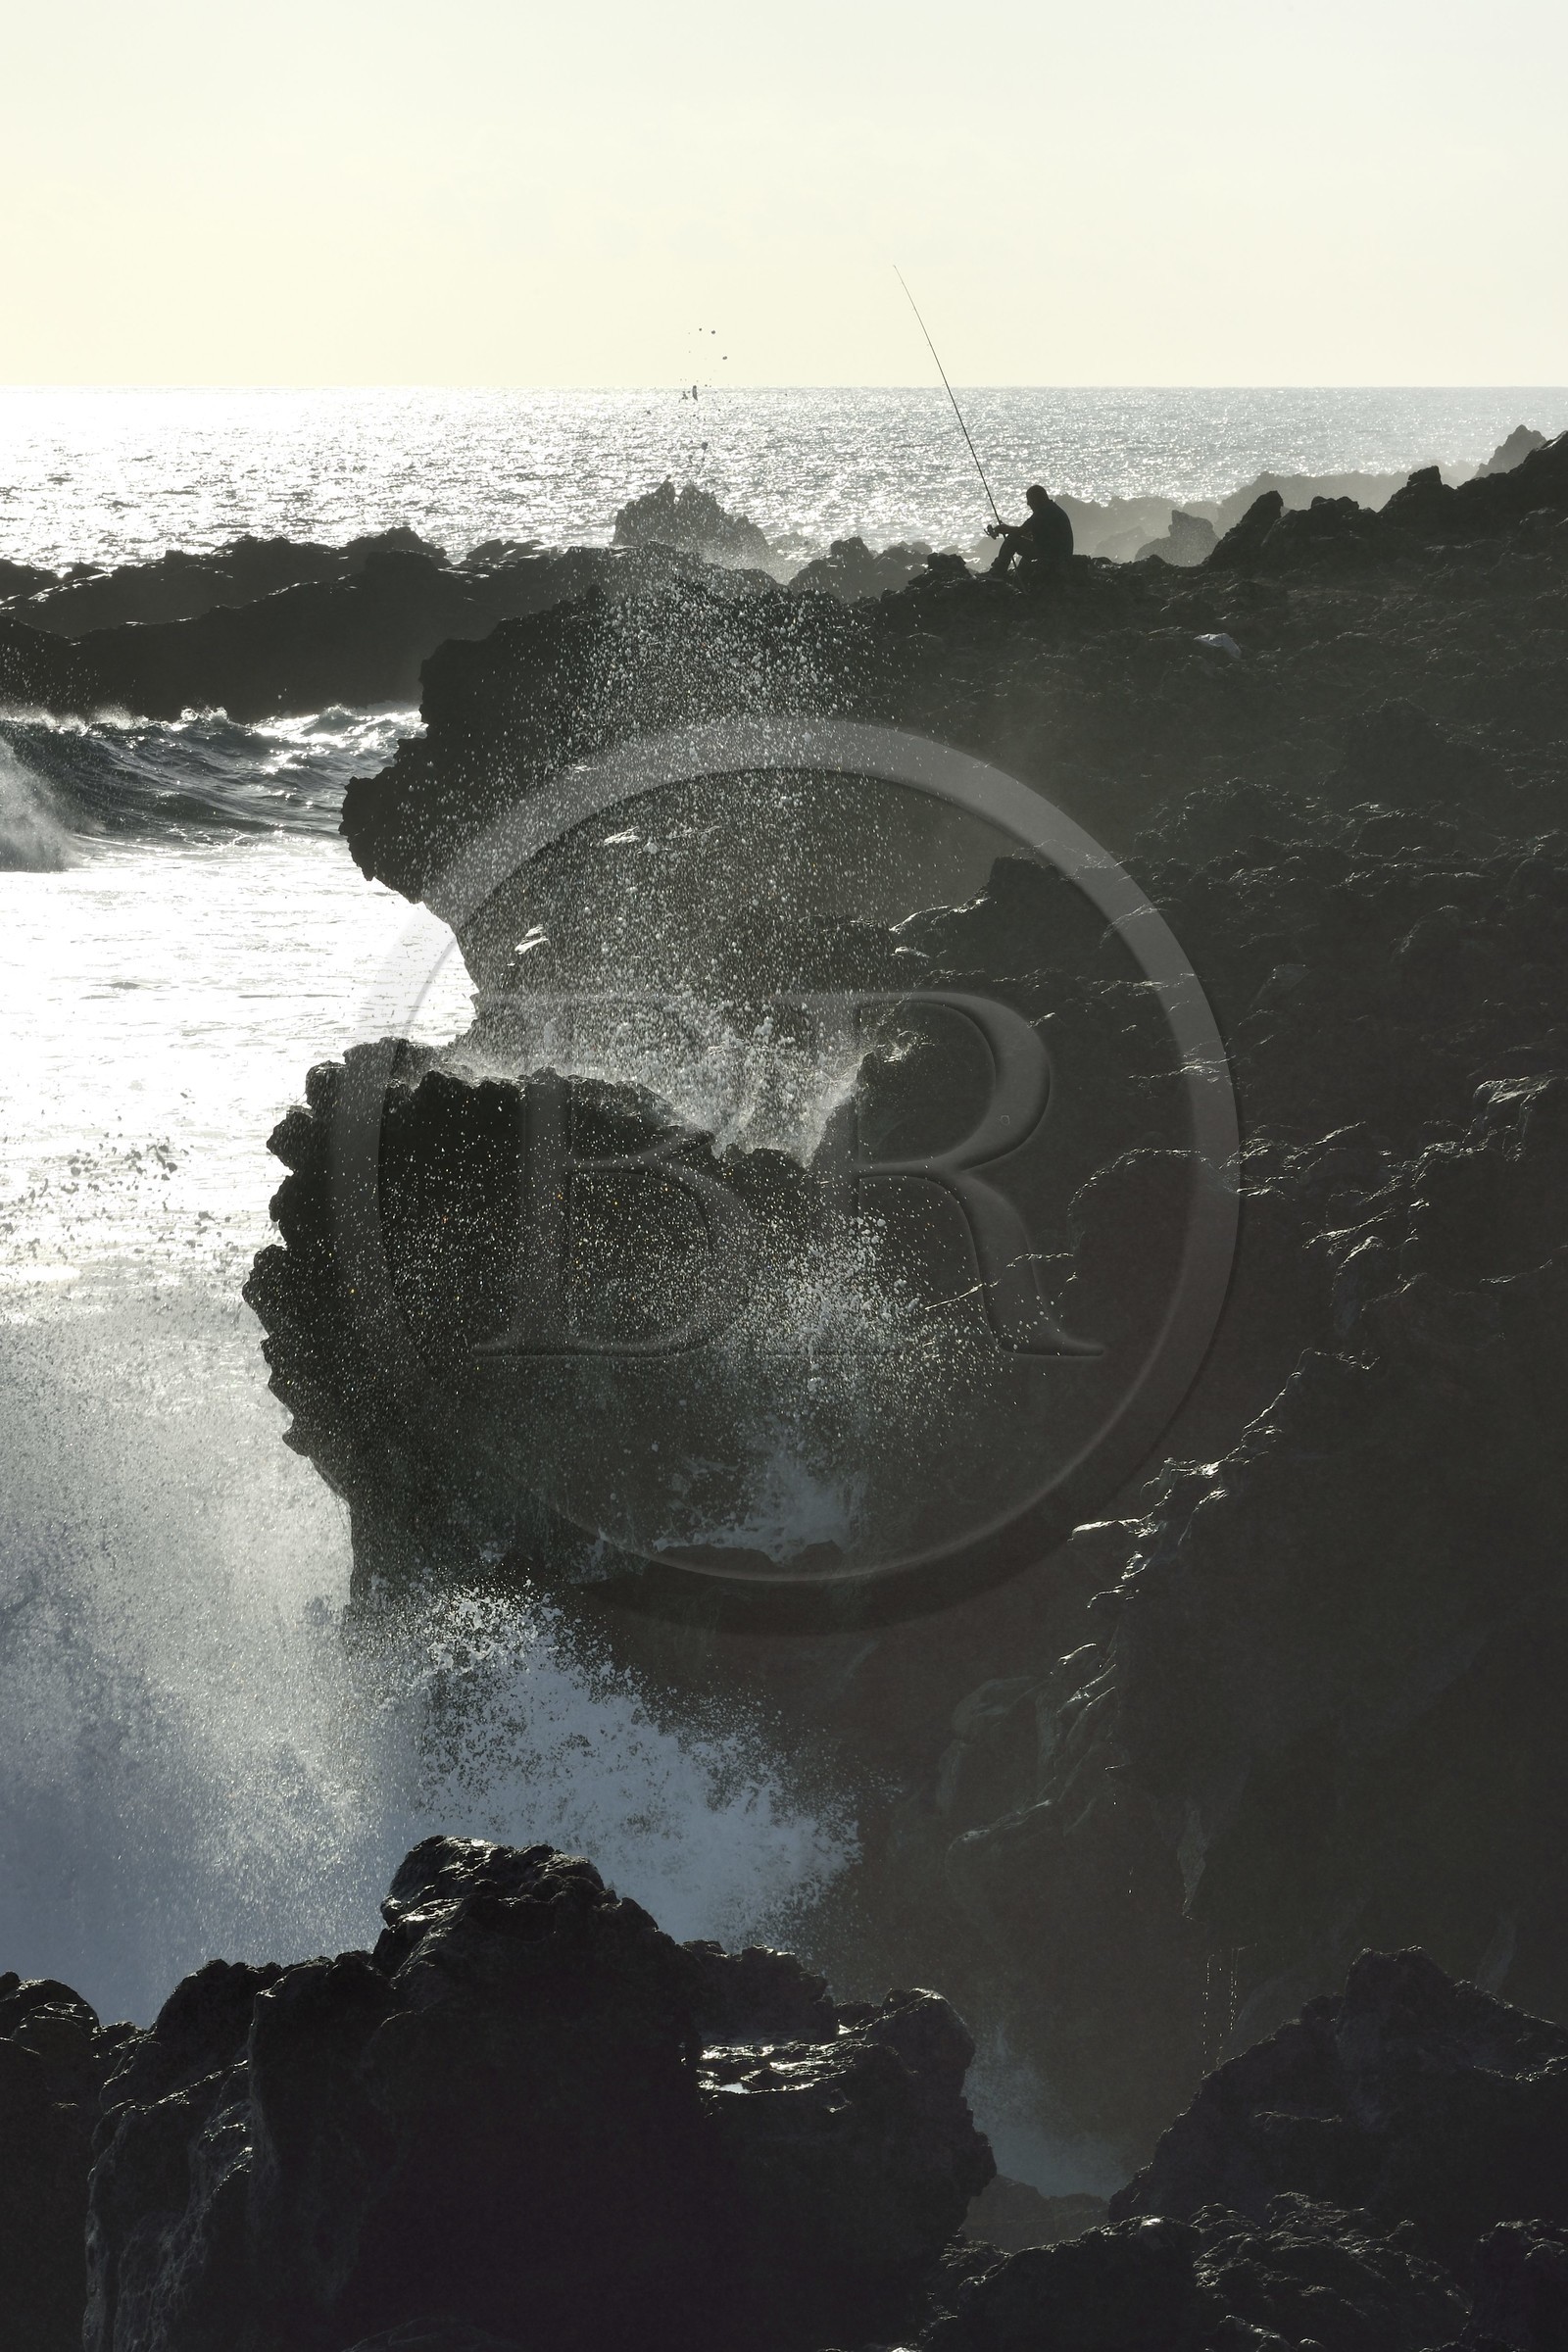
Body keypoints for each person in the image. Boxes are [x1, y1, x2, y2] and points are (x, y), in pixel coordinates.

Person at [988, 484, 1074, 576]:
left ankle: (997, 571)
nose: (1028, 503)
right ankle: (1020, 576)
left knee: (1012, 540)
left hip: (1052, 555)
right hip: (1058, 554)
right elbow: (1029, 532)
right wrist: (1007, 528)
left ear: (1038, 499)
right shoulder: (1052, 509)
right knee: (1024, 550)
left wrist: (1005, 529)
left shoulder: (1044, 512)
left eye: (1030, 499)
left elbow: (1021, 531)